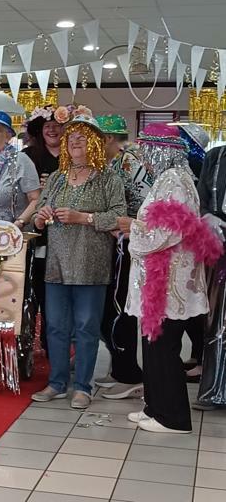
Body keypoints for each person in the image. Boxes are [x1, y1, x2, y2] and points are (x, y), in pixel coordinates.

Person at [120, 123, 222, 433]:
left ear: (160, 152)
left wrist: (131, 228)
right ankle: (155, 407)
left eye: (147, 152)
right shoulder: (168, 178)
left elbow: (169, 231)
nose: (144, 159)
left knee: (163, 348)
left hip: (168, 281)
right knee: (153, 346)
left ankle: (173, 417)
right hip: (159, 279)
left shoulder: (175, 180)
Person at [31, 106, 126, 410]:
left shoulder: (108, 178)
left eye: (82, 138)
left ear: (95, 142)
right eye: (70, 137)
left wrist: (82, 217)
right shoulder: (57, 178)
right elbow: (38, 215)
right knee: (55, 326)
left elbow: (119, 217)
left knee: (86, 327)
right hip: (57, 264)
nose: (74, 142)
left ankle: (83, 386)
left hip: (91, 264)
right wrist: (41, 216)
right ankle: (57, 383)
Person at [95, 114, 152, 400]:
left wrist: (125, 227)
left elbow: (147, 208)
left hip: (126, 244)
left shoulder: (129, 164)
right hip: (109, 243)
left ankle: (129, 374)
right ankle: (119, 368)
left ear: (106, 138)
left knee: (120, 310)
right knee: (109, 309)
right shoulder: (107, 164)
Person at [22, 105, 64, 353]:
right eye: (47, 126)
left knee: (54, 296)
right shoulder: (27, 156)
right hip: (35, 232)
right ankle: (25, 343)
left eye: (57, 125)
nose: (52, 130)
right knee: (30, 290)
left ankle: (53, 345)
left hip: (66, 232)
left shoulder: (73, 155)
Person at [193, 144, 226, 411]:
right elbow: (201, 198)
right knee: (217, 318)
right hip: (219, 246)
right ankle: (214, 390)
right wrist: (207, 217)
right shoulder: (216, 156)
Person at [178, 123, 210, 382]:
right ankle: (198, 354)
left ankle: (201, 357)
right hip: (188, 245)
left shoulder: (197, 170)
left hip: (194, 246)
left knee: (195, 307)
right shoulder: (187, 170)